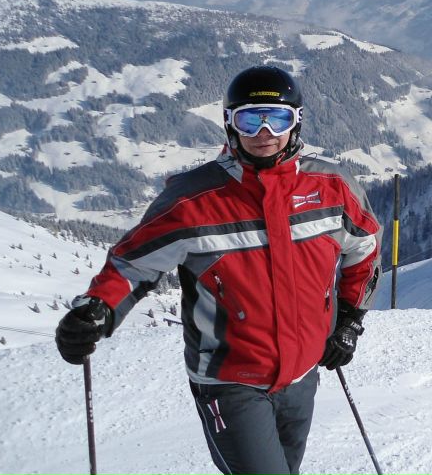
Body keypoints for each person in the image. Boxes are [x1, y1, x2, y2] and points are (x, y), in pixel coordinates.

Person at [55, 66, 383, 475]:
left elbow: (365, 249)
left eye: (277, 118)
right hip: (230, 380)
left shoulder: (332, 188)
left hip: (302, 376)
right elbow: (132, 264)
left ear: (297, 122)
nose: (264, 131)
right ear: (230, 124)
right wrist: (97, 308)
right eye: (250, 119)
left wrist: (349, 320)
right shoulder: (194, 200)